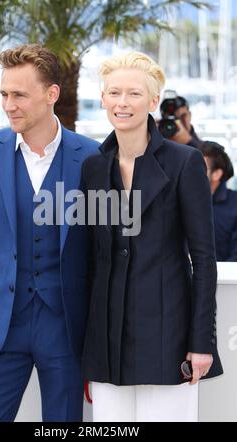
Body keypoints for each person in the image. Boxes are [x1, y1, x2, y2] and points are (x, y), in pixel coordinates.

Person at [0, 43, 99, 422]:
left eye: (19, 95)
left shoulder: (92, 157)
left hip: (66, 329)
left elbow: (103, 252)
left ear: (51, 95)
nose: (8, 104)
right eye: (4, 94)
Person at [81, 52, 223, 422]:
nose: (122, 103)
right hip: (107, 342)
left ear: (153, 101)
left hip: (168, 335)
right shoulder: (94, 167)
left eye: (133, 94)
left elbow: (204, 258)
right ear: (102, 99)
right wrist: (88, 345)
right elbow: (94, 260)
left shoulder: (185, 162)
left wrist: (201, 343)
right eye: (114, 93)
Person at [200, 141, 237, 261]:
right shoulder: (179, 200)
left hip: (224, 277)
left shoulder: (234, 205)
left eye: (199, 168)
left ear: (216, 174)